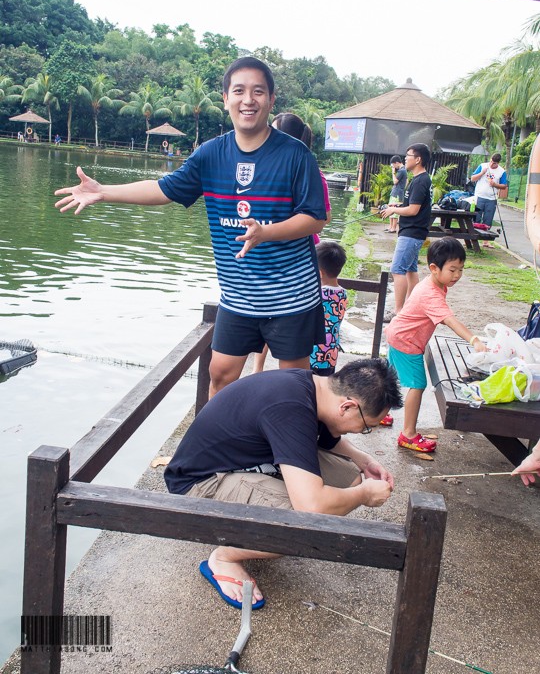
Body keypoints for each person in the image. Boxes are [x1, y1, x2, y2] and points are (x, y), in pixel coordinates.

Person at [54, 57, 328, 397]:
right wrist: (104, 192)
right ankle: (218, 446)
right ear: (225, 98)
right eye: (239, 91)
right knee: (221, 376)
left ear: (271, 100)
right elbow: (164, 189)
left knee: (291, 387)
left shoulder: (296, 155)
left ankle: (283, 449)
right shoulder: (211, 154)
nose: (248, 100)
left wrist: (266, 232)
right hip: (238, 295)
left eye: (258, 92)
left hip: (291, 297)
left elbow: (316, 217)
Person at [164, 358, 403, 608]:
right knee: (302, 527)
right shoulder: (290, 408)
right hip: (202, 482)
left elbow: (326, 441)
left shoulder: (315, 388)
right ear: (347, 407)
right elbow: (311, 508)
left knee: (348, 478)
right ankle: (224, 559)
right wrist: (364, 495)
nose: (360, 432)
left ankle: (260, 531)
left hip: (248, 461)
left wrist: (364, 461)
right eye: (366, 427)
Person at [384, 237, 487, 453]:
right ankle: (408, 434)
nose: (457, 275)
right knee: (418, 385)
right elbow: (449, 320)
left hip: (397, 333)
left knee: (390, 378)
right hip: (406, 341)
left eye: (461, 269)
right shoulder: (431, 293)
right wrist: (473, 339)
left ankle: (379, 411)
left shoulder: (434, 283)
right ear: (434, 268)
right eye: (452, 270)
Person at [251, 112, 331, 374]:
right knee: (264, 311)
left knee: (286, 317)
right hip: (267, 248)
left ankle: (284, 376)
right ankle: (258, 367)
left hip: (297, 257)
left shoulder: (311, 172)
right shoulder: (266, 169)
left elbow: (323, 216)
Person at [381, 143, 432, 316]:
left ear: (418, 159)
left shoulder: (420, 181)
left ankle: (398, 311)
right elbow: (411, 205)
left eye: (408, 155)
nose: (405, 158)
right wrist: (397, 205)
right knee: (411, 269)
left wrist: (393, 210)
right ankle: (409, 308)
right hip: (414, 232)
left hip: (412, 232)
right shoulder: (419, 179)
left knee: (397, 269)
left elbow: (413, 210)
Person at [310, 240, 347, 376]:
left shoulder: (316, 295)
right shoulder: (343, 293)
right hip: (331, 354)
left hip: (311, 356)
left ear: (319, 273)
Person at [471, 153, 508, 239]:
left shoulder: (501, 171)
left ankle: (485, 240)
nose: (491, 164)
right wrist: (481, 173)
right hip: (479, 196)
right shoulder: (482, 166)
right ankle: (473, 237)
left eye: (494, 163)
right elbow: (472, 178)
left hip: (491, 198)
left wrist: (495, 184)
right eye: (491, 161)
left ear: (498, 163)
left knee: (488, 219)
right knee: (476, 217)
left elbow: (504, 186)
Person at [384, 155, 407, 234]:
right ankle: (390, 227)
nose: (393, 166)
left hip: (397, 194)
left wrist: (393, 172)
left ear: (397, 163)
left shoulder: (402, 171)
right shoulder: (403, 170)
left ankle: (393, 228)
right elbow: (406, 182)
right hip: (395, 192)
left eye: (393, 165)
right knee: (390, 208)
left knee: (394, 210)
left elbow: (395, 181)